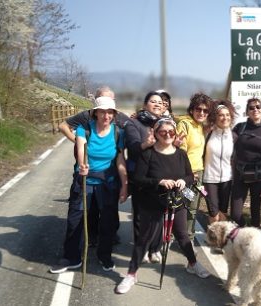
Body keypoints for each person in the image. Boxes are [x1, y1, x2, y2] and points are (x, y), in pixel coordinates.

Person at [115, 118, 210, 294]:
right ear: (156, 133)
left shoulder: (181, 154)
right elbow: (138, 179)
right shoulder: (148, 154)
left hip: (176, 202)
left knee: (182, 235)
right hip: (152, 203)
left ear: (175, 133)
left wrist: (183, 180)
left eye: (171, 132)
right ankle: (131, 274)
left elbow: (190, 176)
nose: (167, 135)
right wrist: (159, 181)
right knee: (144, 238)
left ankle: (193, 263)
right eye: (163, 132)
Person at [50, 96, 128, 273]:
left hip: (108, 183)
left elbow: (120, 160)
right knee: (75, 220)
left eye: (110, 112)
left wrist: (124, 185)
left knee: (108, 222)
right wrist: (82, 165)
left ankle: (105, 255)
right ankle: (71, 258)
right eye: (102, 111)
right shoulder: (84, 130)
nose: (106, 115)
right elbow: (80, 148)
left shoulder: (118, 133)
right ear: (95, 113)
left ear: (114, 114)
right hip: (85, 179)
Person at [124, 91, 164, 264]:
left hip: (161, 173)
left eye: (160, 102)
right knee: (141, 215)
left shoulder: (164, 123)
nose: (157, 104)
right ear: (145, 104)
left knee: (159, 213)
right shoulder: (133, 123)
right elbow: (132, 149)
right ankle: (143, 249)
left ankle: (156, 247)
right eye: (153, 101)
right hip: (140, 176)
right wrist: (146, 144)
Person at [231, 98, 261, 228]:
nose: (255, 109)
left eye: (258, 107)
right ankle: (244, 230)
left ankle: (254, 238)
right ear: (247, 112)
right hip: (240, 176)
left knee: (255, 214)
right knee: (235, 214)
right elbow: (226, 140)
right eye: (251, 108)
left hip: (259, 178)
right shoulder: (239, 128)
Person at [176, 93, 213, 238]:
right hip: (186, 173)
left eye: (205, 111)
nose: (202, 113)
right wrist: (189, 174)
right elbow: (181, 152)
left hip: (199, 172)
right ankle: (176, 236)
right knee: (181, 206)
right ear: (192, 110)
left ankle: (188, 237)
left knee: (192, 207)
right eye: (199, 109)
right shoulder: (184, 124)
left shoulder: (200, 126)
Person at [203, 100, 236, 224]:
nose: (224, 118)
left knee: (223, 212)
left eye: (227, 115)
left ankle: (221, 238)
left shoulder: (233, 136)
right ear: (215, 117)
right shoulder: (208, 133)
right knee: (214, 213)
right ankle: (214, 237)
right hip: (209, 179)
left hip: (227, 179)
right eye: (221, 115)